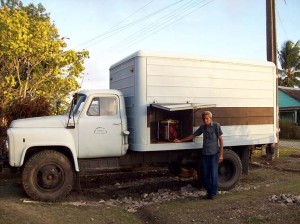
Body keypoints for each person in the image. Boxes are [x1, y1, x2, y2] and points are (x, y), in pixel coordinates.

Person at [174, 111, 223, 199]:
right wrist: (181, 140)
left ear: (211, 118)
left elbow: (221, 140)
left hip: (214, 154)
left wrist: (221, 154)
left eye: (207, 118)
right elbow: (193, 135)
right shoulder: (202, 127)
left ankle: (213, 193)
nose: (205, 120)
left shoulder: (216, 126)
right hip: (205, 154)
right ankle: (209, 192)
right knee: (205, 174)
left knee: (214, 174)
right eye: (204, 119)